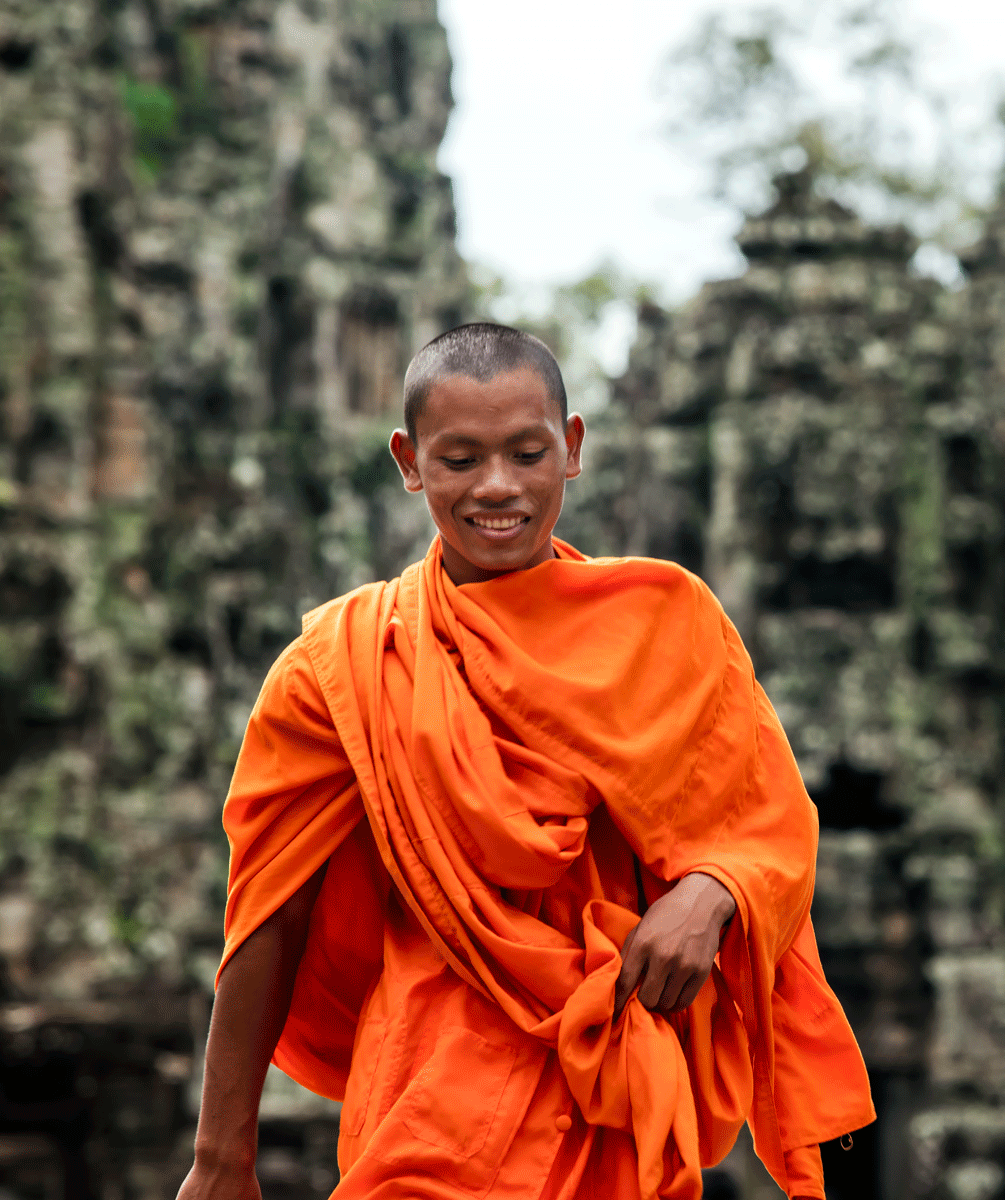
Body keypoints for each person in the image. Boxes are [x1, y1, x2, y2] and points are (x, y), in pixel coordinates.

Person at [176, 323, 873, 1199]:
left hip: (615, 1083)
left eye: (527, 452)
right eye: (460, 460)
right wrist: (219, 1158)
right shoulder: (342, 664)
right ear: (409, 461)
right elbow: (268, 914)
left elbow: (767, 821)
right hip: (426, 1095)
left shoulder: (665, 620)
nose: (497, 487)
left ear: (572, 447)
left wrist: (715, 892)